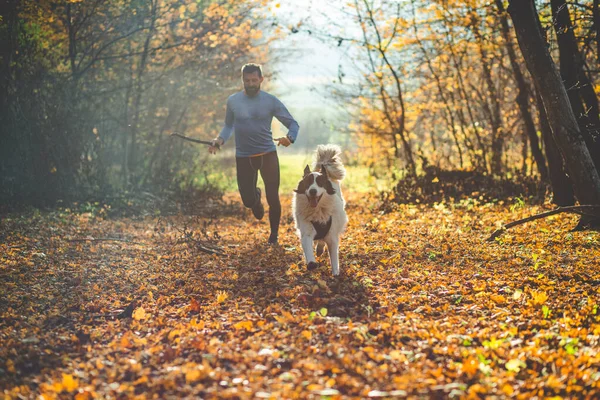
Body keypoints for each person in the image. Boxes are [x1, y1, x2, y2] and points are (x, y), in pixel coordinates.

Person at [209, 63, 300, 245]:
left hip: (267, 155)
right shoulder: (233, 101)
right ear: (242, 80)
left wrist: (290, 138)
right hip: (243, 156)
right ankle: (255, 199)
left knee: (273, 197)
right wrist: (219, 140)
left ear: (261, 80)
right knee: (247, 200)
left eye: (254, 80)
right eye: (247, 80)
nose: (250, 84)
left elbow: (293, 124)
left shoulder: (270, 101)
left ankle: (274, 236)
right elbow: (228, 126)